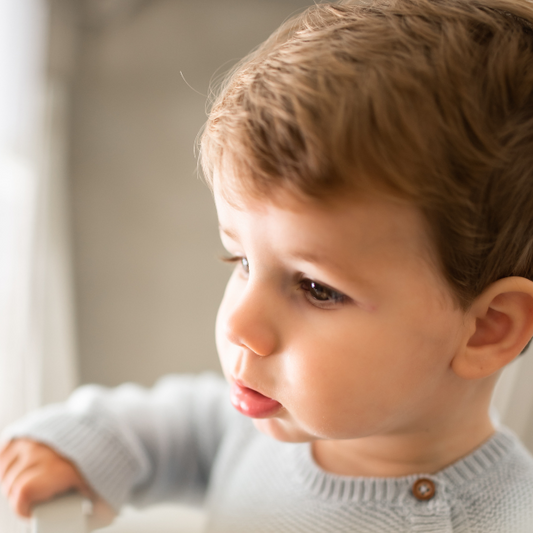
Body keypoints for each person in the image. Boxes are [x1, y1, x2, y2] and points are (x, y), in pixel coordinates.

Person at [2, 0, 533, 530]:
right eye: (241, 260)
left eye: (317, 289)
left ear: (488, 329)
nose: (237, 323)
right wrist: (78, 444)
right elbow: (179, 426)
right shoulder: (265, 419)